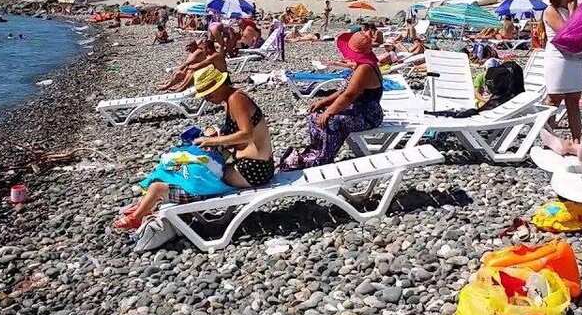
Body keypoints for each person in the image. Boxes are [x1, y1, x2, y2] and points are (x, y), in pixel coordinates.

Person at [116, 66, 274, 228]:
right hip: (252, 165)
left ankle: (152, 201)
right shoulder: (230, 99)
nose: (207, 99)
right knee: (192, 168)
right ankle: (152, 201)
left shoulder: (236, 99)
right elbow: (239, 133)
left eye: (209, 94)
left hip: (254, 170)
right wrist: (214, 134)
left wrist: (212, 142)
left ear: (220, 85)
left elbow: (246, 134)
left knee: (194, 175)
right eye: (204, 96)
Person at [280, 32, 384, 170]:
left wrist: (329, 111)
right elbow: (343, 91)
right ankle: (316, 152)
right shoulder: (361, 66)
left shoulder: (364, 69)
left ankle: (324, 158)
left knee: (331, 120)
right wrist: (324, 103)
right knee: (315, 114)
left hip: (369, 115)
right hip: (359, 109)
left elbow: (348, 96)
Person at [542, 0, 582, 143]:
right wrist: (574, 11)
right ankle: (548, 139)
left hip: (573, 58)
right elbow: (567, 32)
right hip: (558, 58)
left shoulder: (568, 10)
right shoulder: (551, 10)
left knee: (574, 99)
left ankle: (577, 140)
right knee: (554, 99)